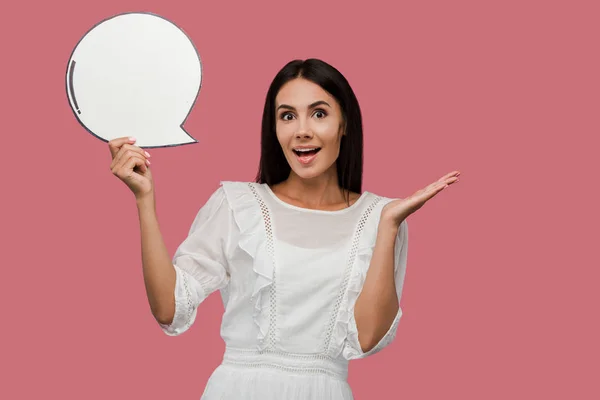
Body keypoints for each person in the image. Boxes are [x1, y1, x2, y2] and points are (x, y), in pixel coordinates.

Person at [108, 58, 459, 399]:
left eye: (319, 114)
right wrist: (145, 200)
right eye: (287, 116)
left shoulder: (383, 217)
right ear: (273, 128)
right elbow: (170, 309)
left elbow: (366, 337)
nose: (302, 130)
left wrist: (388, 227)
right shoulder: (237, 205)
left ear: (344, 123)